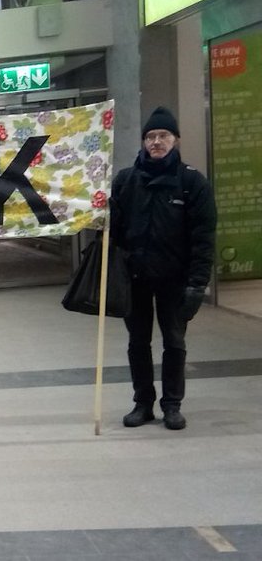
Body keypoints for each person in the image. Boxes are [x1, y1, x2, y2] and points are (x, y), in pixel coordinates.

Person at [110, 107, 216, 431]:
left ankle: (172, 405)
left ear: (176, 140)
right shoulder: (127, 181)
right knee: (137, 343)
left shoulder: (191, 182)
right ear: (144, 141)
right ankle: (143, 403)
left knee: (175, 342)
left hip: (175, 281)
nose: (156, 142)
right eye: (151, 136)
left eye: (163, 136)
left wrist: (197, 285)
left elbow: (203, 238)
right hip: (136, 279)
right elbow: (114, 232)